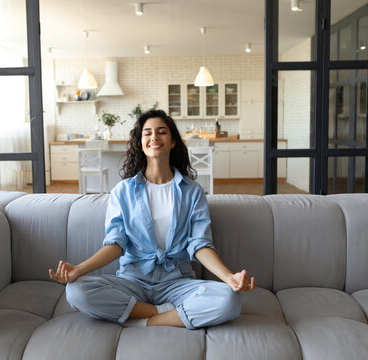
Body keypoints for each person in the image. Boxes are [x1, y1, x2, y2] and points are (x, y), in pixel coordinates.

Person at [48, 109, 255, 329]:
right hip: (132, 281)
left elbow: (200, 244)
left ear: (173, 141)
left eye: (161, 132)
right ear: (141, 142)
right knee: (76, 291)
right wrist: (78, 270)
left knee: (229, 299)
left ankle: (143, 321)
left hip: (178, 282)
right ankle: (163, 313)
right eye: (147, 133)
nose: (154, 137)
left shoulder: (192, 192)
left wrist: (228, 277)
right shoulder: (123, 191)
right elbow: (115, 244)